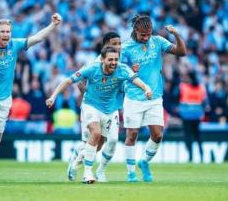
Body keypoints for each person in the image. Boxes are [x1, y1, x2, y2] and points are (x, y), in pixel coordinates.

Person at [0, 1, 62, 182]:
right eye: (2, 31)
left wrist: (53, 25)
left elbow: (37, 38)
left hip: (5, 98)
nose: (6, 35)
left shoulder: (15, 45)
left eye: (8, 31)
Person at [46, 46, 152, 184]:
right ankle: (87, 173)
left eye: (116, 59)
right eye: (110, 59)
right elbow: (68, 81)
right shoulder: (91, 68)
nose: (114, 62)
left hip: (110, 110)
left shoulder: (123, 69)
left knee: (101, 145)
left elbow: (138, 81)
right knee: (95, 133)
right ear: (102, 59)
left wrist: (147, 88)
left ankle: (76, 161)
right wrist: (53, 96)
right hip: (91, 105)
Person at [121, 14, 186, 182]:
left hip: (155, 97)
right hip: (134, 97)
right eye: (143, 34)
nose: (146, 37)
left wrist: (176, 35)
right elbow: (118, 71)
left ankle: (144, 161)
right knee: (132, 134)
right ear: (135, 30)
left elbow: (181, 52)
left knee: (157, 135)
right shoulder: (126, 47)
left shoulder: (157, 42)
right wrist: (129, 68)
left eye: (149, 33)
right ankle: (131, 173)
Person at [67, 32, 124, 182]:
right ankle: (85, 170)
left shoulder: (119, 62)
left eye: (119, 44)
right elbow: (81, 85)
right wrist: (84, 95)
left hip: (112, 108)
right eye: (114, 44)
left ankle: (94, 167)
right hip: (92, 107)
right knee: (93, 140)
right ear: (106, 46)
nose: (118, 47)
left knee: (109, 141)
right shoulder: (94, 65)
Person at [178, 71, 207, 162]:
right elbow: (204, 101)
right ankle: (202, 156)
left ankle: (190, 157)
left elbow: (177, 96)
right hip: (197, 115)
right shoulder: (201, 87)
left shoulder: (183, 86)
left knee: (188, 137)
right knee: (198, 137)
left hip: (186, 116)